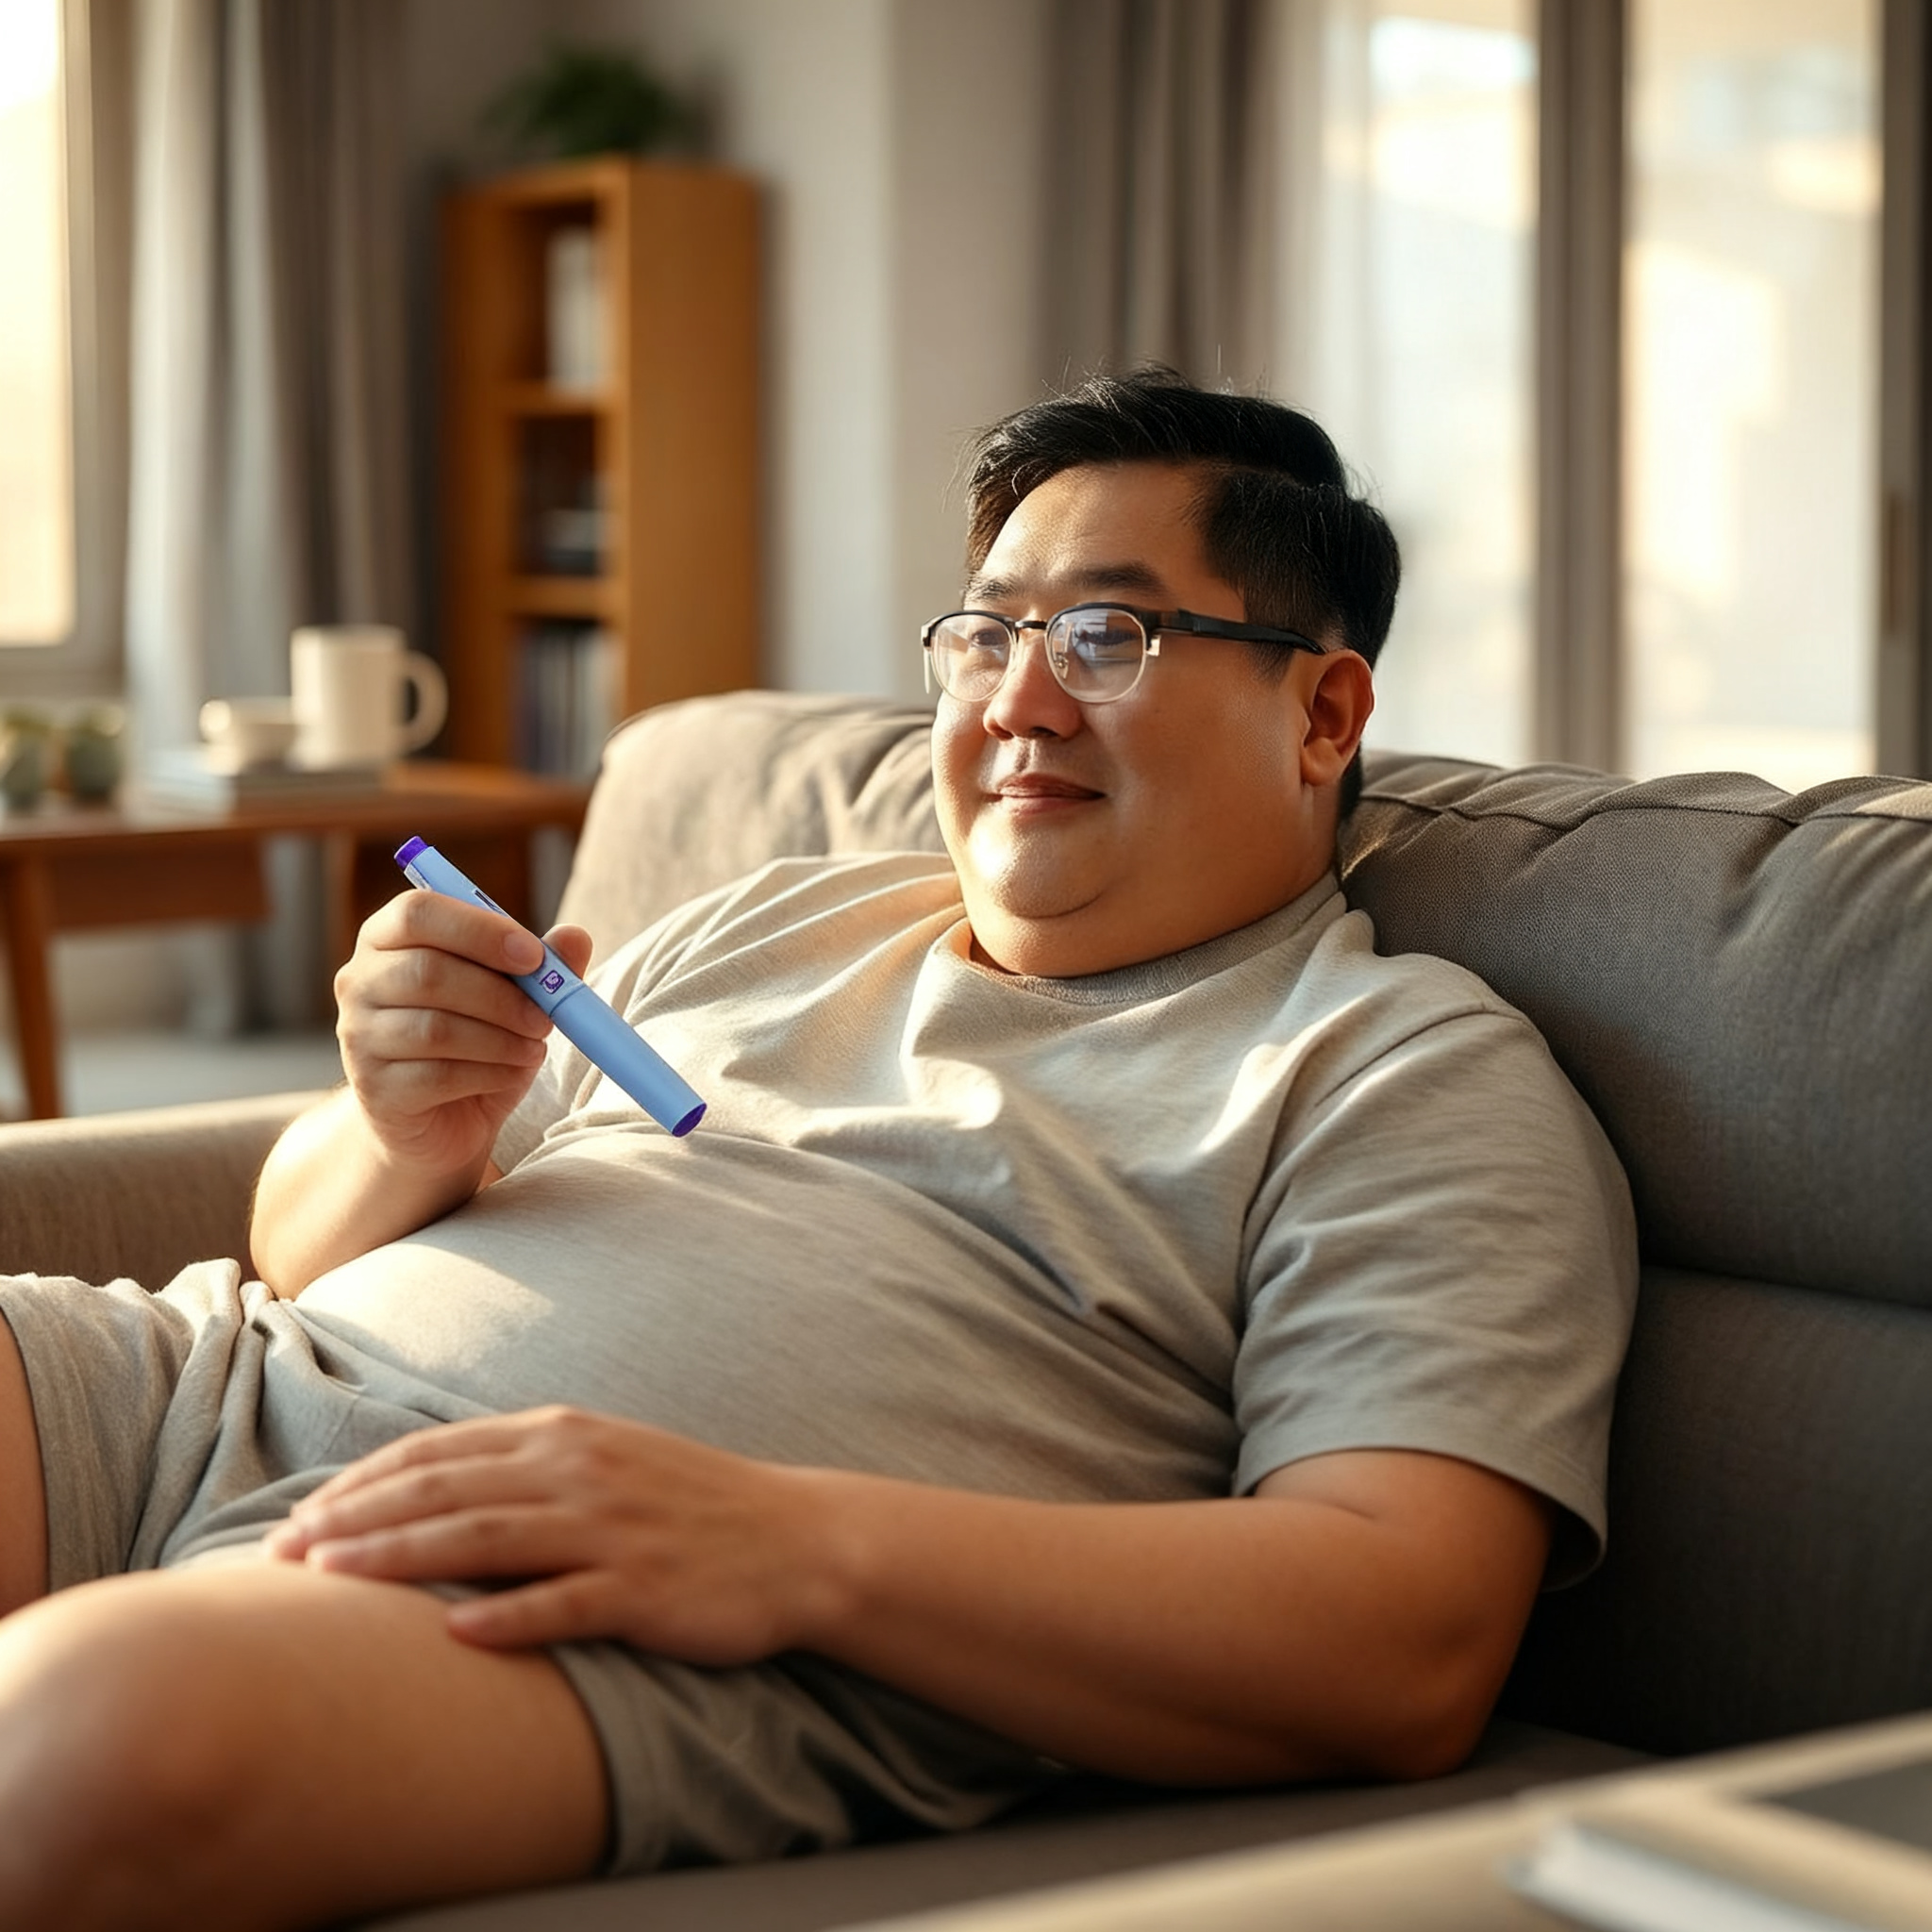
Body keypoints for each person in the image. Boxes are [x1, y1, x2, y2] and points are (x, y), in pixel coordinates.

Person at [0, 369, 1636, 1929]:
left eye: (1105, 634)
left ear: (1323, 712)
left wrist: (784, 1540)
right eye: (985, 633)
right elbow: (298, 1249)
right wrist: (398, 1128)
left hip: (586, 1609)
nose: (1019, 700)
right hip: (189, 1393)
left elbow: (1403, 1641)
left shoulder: (1400, 1074)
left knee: (76, 1746)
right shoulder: (784, 916)